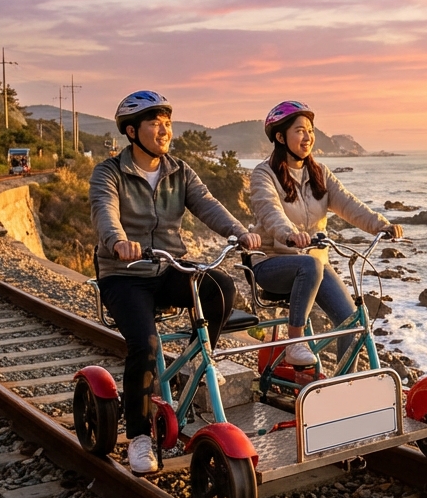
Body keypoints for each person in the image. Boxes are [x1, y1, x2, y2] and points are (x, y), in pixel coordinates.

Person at [89, 90, 261, 474]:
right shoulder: (109, 172)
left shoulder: (179, 170)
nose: (164, 129)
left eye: (167, 122)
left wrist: (238, 232)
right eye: (154, 122)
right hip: (124, 275)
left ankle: (195, 363)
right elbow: (105, 211)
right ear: (132, 131)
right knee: (145, 345)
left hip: (168, 268)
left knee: (221, 288)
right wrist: (117, 241)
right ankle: (138, 436)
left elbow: (207, 204)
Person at [247, 100, 402, 375]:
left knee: (351, 323)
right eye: (299, 131)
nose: (307, 137)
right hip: (273, 262)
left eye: (310, 130)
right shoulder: (264, 174)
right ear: (281, 137)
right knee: (310, 265)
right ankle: (295, 342)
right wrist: (290, 234)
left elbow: (349, 204)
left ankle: (343, 387)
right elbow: (269, 211)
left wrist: (382, 224)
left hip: (314, 264)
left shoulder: (320, 174)